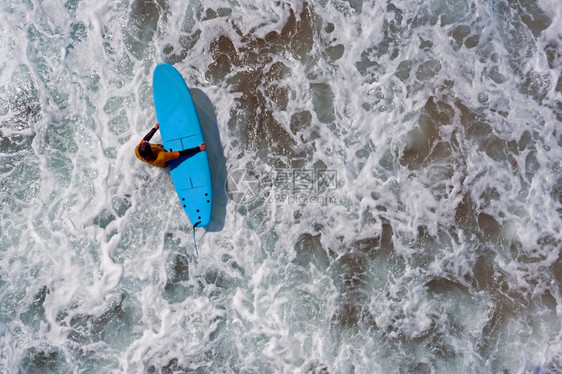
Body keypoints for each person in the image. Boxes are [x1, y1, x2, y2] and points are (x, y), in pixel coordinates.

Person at [135, 123, 207, 168]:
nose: (146, 142)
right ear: (151, 151)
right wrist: (198, 148)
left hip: (153, 154)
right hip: (166, 161)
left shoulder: (138, 151)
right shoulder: (162, 156)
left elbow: (146, 139)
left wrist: (154, 129)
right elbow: (180, 154)